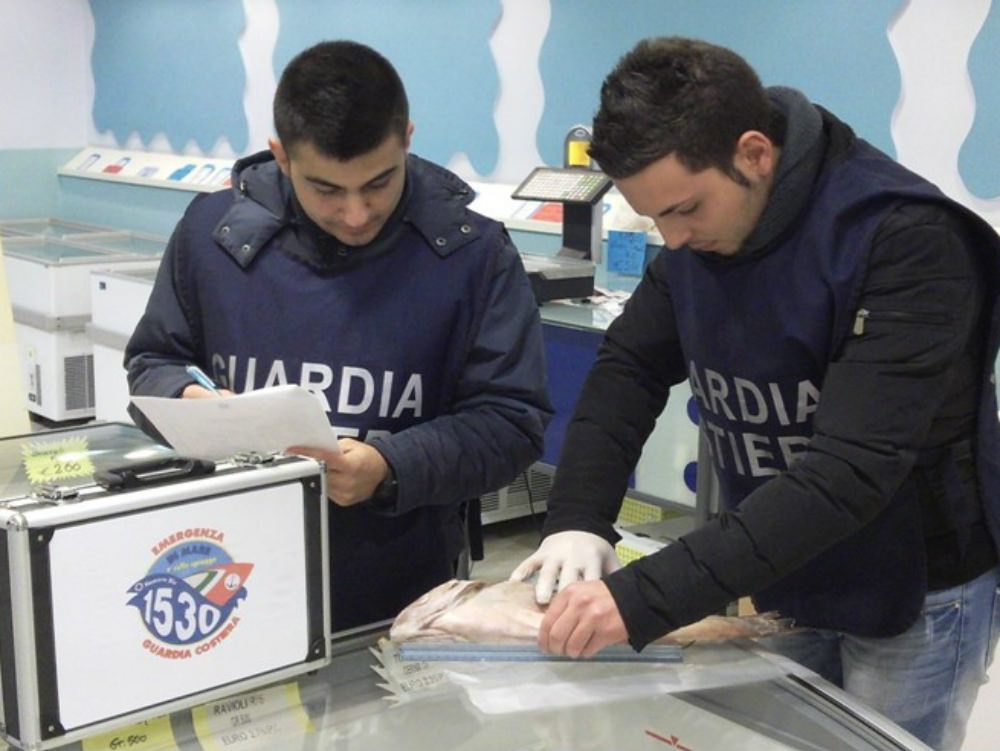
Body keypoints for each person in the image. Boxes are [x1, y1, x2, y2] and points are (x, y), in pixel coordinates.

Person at [510, 37, 1000, 750]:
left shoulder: (907, 239)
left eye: (685, 209)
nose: (673, 241)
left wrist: (644, 598)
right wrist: (577, 517)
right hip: (782, 566)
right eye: (656, 220)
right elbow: (630, 366)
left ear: (755, 153)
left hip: (917, 584)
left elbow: (847, 474)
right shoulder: (696, 239)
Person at [126, 40, 552, 631]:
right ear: (281, 156)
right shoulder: (211, 235)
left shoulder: (473, 254)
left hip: (400, 586)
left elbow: (511, 421)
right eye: (326, 189)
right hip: (225, 570)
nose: (356, 214)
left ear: (407, 137)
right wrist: (191, 402)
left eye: (379, 183)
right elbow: (153, 361)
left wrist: (389, 464)